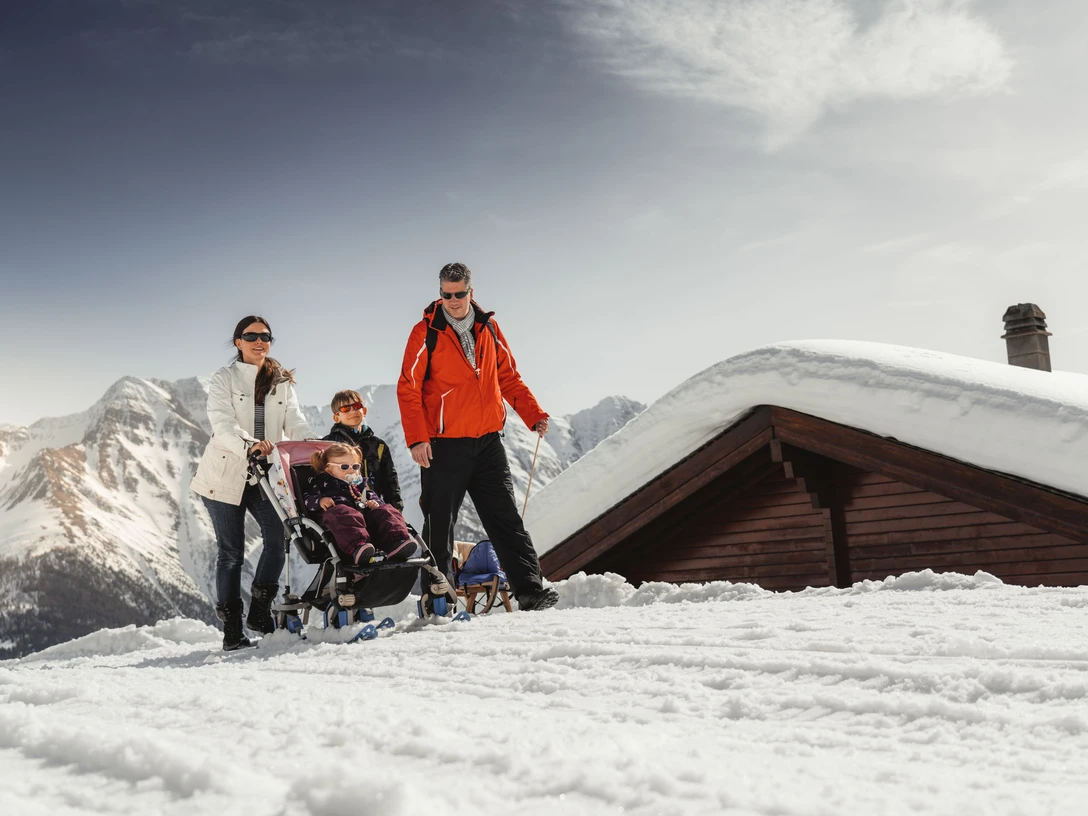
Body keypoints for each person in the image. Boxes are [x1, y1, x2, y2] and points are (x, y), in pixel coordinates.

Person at [396, 262, 559, 612]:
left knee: (506, 518)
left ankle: (530, 590)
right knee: (440, 524)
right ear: (440, 293)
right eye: (446, 294)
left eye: (459, 294)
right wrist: (417, 438)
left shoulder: (489, 327)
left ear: (471, 292)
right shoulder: (425, 332)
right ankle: (438, 597)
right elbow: (409, 388)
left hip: (488, 443)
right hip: (443, 446)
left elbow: (508, 377)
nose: (453, 301)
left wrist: (534, 415)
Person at [190, 315, 316, 650]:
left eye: (265, 336)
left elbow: (294, 420)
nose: (259, 342)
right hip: (225, 473)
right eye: (251, 336)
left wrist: (311, 445)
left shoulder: (281, 381)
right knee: (231, 553)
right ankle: (232, 631)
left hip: (265, 475)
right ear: (238, 342)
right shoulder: (225, 378)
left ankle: (259, 612)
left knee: (278, 540)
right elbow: (222, 423)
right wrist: (250, 445)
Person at [302, 443, 417, 565]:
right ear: (329, 469)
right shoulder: (322, 483)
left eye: (355, 466)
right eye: (344, 467)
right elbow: (307, 499)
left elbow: (373, 497)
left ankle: (397, 541)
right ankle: (357, 547)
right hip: (339, 526)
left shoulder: (359, 486)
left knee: (386, 510)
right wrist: (320, 501)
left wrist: (375, 504)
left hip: (366, 523)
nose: (351, 470)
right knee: (342, 512)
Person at [321, 390, 404, 511]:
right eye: (345, 409)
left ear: (364, 411)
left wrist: (396, 510)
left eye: (356, 406)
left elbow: (390, 482)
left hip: (373, 507)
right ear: (336, 417)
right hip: (343, 510)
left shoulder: (378, 445)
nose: (352, 411)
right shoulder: (328, 445)